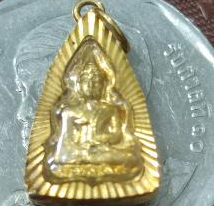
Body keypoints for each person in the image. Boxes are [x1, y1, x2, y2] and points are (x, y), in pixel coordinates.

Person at [43, 39, 143, 184]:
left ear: (104, 85)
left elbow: (116, 135)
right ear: (78, 85)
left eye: (96, 82)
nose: (91, 85)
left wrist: (102, 140)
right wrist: (83, 148)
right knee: (62, 158)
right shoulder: (69, 112)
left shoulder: (110, 110)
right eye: (86, 82)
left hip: (102, 150)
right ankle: (88, 161)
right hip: (78, 152)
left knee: (129, 158)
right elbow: (65, 143)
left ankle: (89, 162)